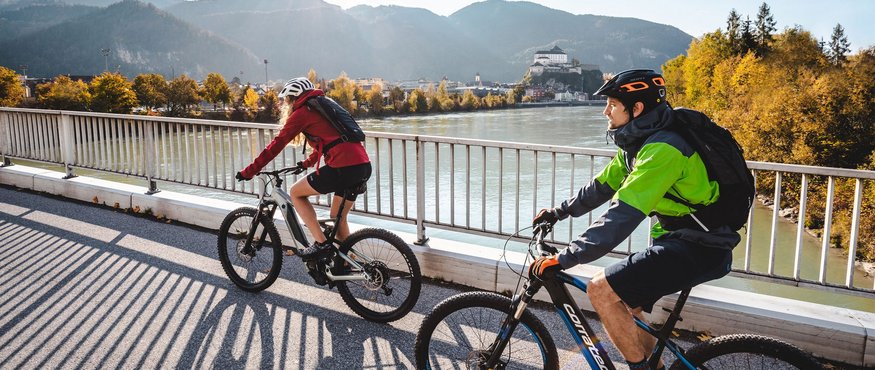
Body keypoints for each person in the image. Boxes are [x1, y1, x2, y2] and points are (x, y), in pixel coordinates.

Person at [528, 69, 739, 370]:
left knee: (599, 289)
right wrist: (559, 211)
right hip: (681, 239)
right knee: (627, 301)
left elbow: (622, 214)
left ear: (636, 109)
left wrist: (566, 257)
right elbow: (602, 186)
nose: (605, 111)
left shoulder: (662, 149)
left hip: (701, 247)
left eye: (612, 104)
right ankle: (654, 366)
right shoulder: (638, 144)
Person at [235, 77, 371, 259]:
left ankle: (321, 244)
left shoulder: (303, 112)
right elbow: (329, 142)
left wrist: (249, 171)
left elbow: (276, 145)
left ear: (293, 98)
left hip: (343, 168)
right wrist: (305, 164)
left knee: (296, 193)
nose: (285, 104)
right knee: (338, 220)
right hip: (362, 166)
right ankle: (350, 263)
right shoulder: (323, 107)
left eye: (286, 100)